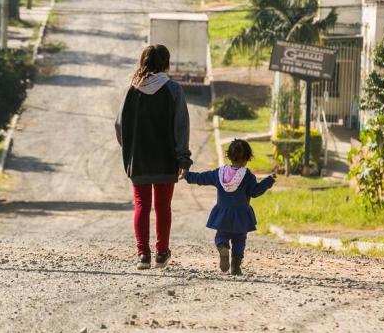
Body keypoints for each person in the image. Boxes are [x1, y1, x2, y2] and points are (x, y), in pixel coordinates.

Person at [115, 45, 192, 270]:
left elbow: (119, 124)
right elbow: (181, 126)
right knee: (163, 207)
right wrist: (183, 157)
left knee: (141, 205)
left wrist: (130, 149)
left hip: (138, 159)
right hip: (166, 159)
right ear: (165, 63)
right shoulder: (173, 89)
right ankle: (161, 254)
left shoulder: (132, 90)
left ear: (143, 62)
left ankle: (143, 255)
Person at [184, 139, 275, 275]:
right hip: (241, 215)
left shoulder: (219, 173)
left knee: (221, 235)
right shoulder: (248, 176)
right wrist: (268, 181)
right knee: (239, 239)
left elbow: (202, 178)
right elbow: (255, 192)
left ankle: (223, 247)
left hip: (223, 214)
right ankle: (236, 266)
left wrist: (187, 175)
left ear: (229, 156)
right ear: (247, 158)